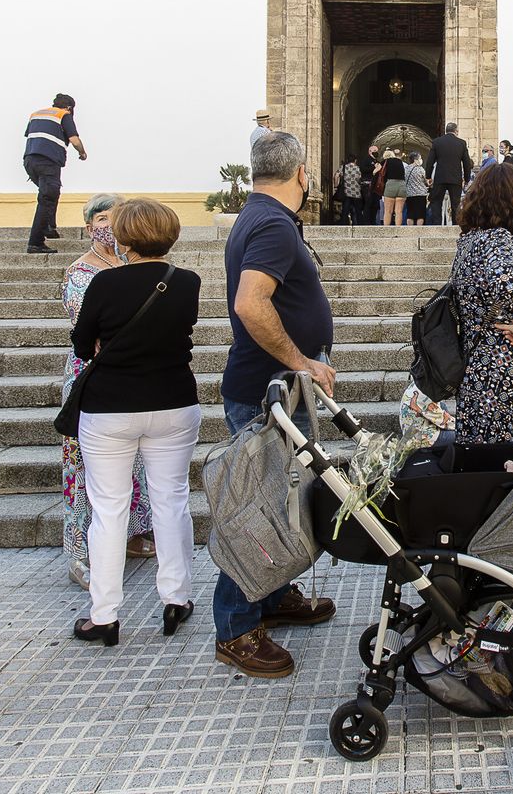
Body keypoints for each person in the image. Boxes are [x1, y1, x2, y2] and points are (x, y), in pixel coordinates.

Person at [216, 131, 337, 677]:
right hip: (268, 392)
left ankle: (272, 595)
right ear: (302, 174)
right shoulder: (272, 224)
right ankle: (237, 627)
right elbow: (251, 303)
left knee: (279, 502)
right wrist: (300, 361)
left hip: (273, 388)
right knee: (256, 512)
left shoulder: (262, 216)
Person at [70, 199, 201, 647]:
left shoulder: (104, 282)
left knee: (109, 509)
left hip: (110, 405)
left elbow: (82, 343)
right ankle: (176, 598)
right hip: (172, 400)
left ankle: (104, 615)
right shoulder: (186, 281)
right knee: (172, 500)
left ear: (124, 238)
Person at [61, 193, 156, 591]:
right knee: (84, 465)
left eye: (116, 218)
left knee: (136, 461)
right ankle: (80, 551)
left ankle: (132, 535)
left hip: (133, 374)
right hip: (92, 375)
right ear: (89, 227)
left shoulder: (133, 266)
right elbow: (87, 327)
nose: (110, 225)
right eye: (102, 218)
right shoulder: (80, 272)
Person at [452, 163, 513, 443]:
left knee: (485, 456)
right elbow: (507, 285)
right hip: (506, 373)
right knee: (508, 457)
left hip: (483, 370)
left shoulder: (471, 241)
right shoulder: (498, 239)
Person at [22, 93, 87, 254]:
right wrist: (82, 153)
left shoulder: (36, 114)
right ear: (69, 107)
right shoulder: (63, 115)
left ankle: (49, 227)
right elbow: (74, 140)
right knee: (47, 198)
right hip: (48, 162)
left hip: (30, 161)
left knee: (51, 193)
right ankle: (35, 243)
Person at [425, 121, 473, 225]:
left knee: (436, 202)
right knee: (455, 203)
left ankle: (437, 224)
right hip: (455, 178)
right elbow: (467, 163)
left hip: (440, 177)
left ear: (446, 131)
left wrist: (428, 176)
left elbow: (430, 161)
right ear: (456, 131)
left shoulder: (437, 142)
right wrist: (467, 179)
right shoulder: (461, 143)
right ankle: (455, 225)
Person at [380, 148, 407, 226]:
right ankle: (397, 230)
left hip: (390, 184)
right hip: (402, 185)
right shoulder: (399, 161)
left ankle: (387, 230)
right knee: (399, 211)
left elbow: (378, 172)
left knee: (388, 211)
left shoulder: (385, 162)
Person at [404, 151, 429, 226]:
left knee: (410, 214)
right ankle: (419, 230)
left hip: (409, 194)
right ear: (415, 160)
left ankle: (410, 230)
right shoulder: (420, 169)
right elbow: (426, 181)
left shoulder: (406, 169)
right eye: (420, 158)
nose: (421, 160)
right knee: (420, 215)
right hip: (420, 194)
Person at [338, 154, 363, 226]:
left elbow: (336, 176)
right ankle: (359, 225)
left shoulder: (343, 167)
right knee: (358, 210)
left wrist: (336, 186)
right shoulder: (358, 168)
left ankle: (343, 224)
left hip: (346, 191)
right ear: (355, 160)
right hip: (356, 192)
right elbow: (360, 179)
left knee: (345, 210)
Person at [359, 143, 380, 225]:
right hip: (367, 185)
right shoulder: (366, 160)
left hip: (375, 186)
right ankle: (366, 223)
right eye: (374, 150)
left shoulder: (376, 161)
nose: (376, 152)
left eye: (377, 151)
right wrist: (374, 168)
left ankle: (373, 221)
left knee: (375, 204)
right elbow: (363, 169)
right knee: (368, 203)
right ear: (370, 151)